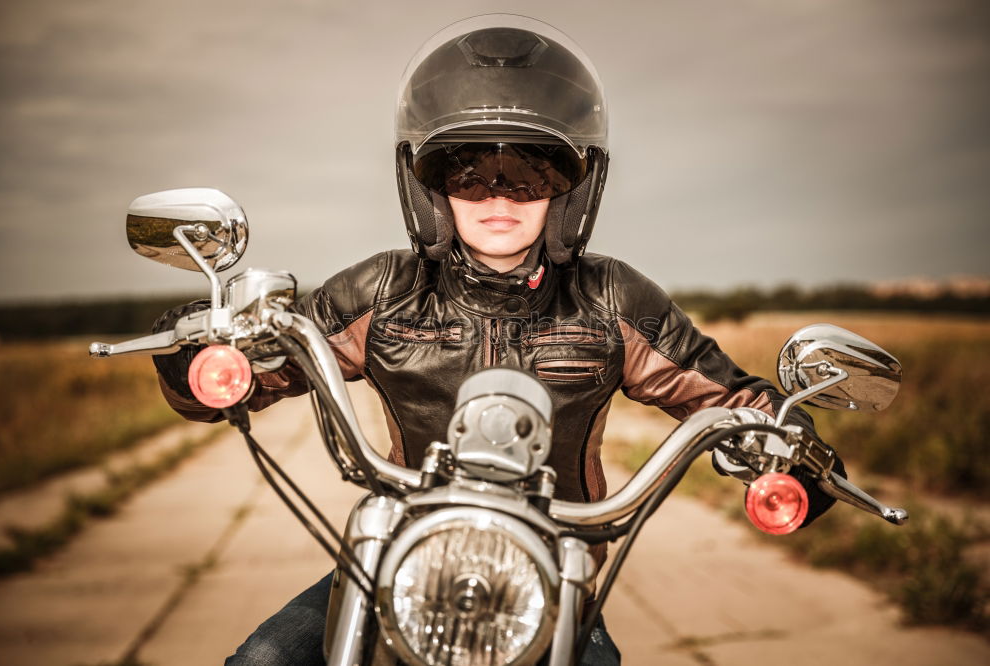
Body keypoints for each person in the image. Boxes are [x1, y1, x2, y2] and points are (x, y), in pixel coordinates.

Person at [153, 14, 842, 666]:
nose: (500, 196)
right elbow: (272, 359)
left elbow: (720, 391)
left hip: (549, 571)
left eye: (531, 174)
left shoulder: (612, 298)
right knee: (261, 660)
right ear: (433, 188)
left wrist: (784, 435)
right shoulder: (381, 290)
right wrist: (199, 353)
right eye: (469, 174)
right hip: (397, 558)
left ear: (567, 190)